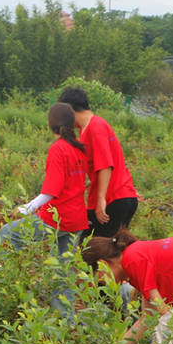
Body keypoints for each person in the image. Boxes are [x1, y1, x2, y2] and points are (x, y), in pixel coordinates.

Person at [0, 102, 87, 315]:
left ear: (50, 123)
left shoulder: (58, 149)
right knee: (63, 271)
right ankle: (67, 320)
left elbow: (51, 191)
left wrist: (26, 209)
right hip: (76, 218)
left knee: (7, 234)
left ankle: (0, 281)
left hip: (57, 217)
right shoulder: (79, 148)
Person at [57, 87, 137, 241]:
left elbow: (106, 165)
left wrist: (101, 199)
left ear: (70, 109)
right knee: (108, 246)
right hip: (120, 195)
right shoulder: (87, 128)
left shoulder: (96, 128)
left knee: (95, 247)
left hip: (112, 198)